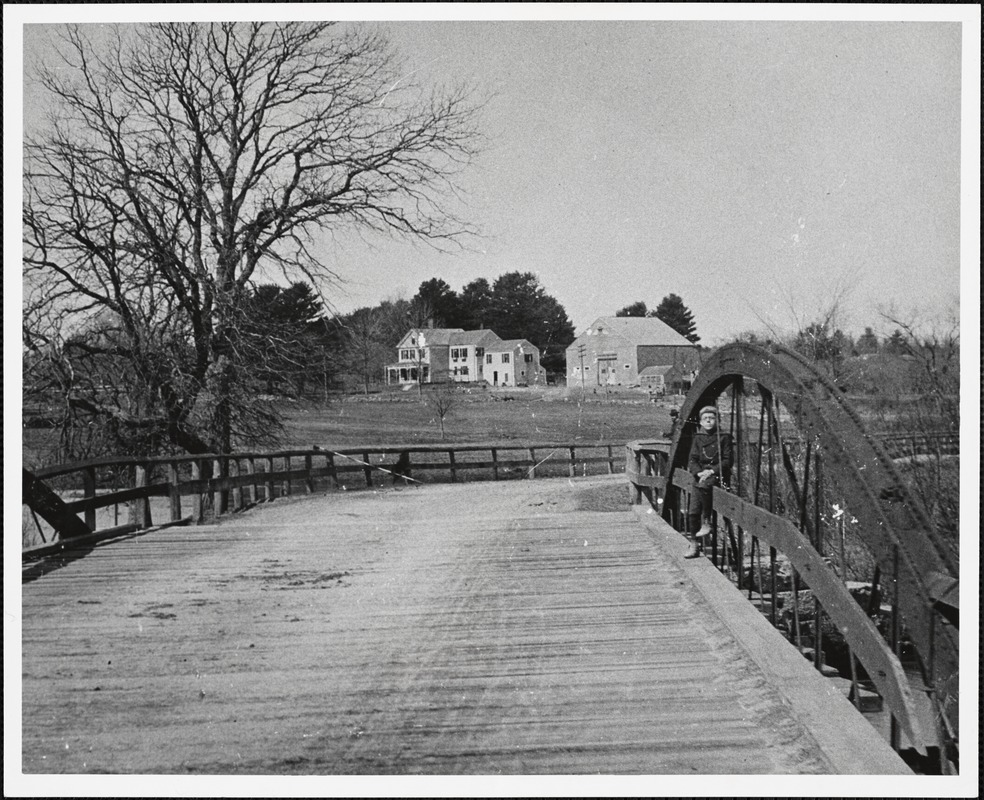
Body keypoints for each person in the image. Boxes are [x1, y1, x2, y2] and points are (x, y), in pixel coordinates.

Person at [683, 405, 733, 558]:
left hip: (717, 475)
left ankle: (707, 520)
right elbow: (692, 459)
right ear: (701, 422)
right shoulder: (698, 438)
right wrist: (698, 472)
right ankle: (694, 544)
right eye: (705, 419)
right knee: (692, 511)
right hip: (700, 476)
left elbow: (727, 460)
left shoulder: (724, 437)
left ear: (717, 420)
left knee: (705, 485)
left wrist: (711, 471)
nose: (709, 421)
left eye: (712, 418)